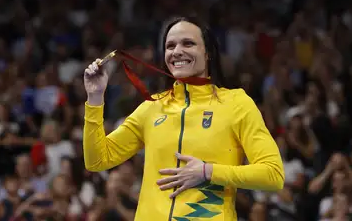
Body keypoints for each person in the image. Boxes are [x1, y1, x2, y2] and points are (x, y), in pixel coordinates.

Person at [83, 16, 284, 220]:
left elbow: (272, 175)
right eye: (170, 46)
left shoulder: (236, 104)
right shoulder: (152, 108)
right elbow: (97, 160)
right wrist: (95, 98)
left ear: (208, 53)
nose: (177, 51)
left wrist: (208, 171)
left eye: (188, 43)